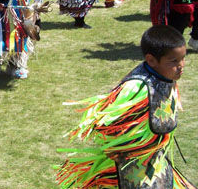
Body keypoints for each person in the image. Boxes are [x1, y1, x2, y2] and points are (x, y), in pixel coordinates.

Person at [55, 25, 195, 188]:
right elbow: (107, 123)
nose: (181, 65)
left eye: (183, 58)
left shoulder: (164, 77)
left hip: (155, 161)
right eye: (174, 61)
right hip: (130, 168)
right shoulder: (136, 88)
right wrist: (117, 149)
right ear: (151, 60)